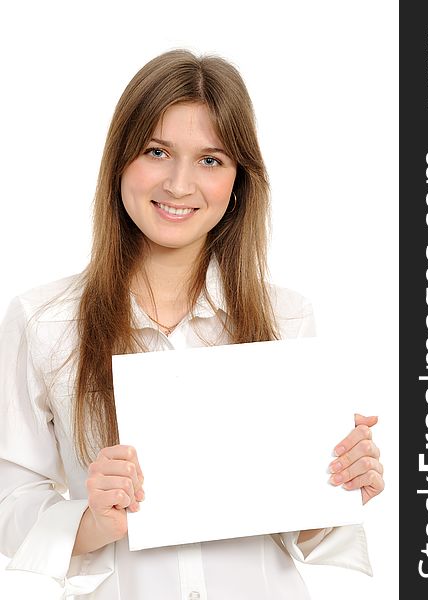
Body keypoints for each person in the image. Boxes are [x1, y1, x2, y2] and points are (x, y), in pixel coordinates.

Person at [0, 49, 384, 600]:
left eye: (211, 160)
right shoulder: (44, 321)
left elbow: (298, 528)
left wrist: (339, 483)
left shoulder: (288, 318)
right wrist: (92, 520)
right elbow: (10, 499)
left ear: (237, 182)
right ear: (120, 162)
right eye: (158, 152)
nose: (180, 185)